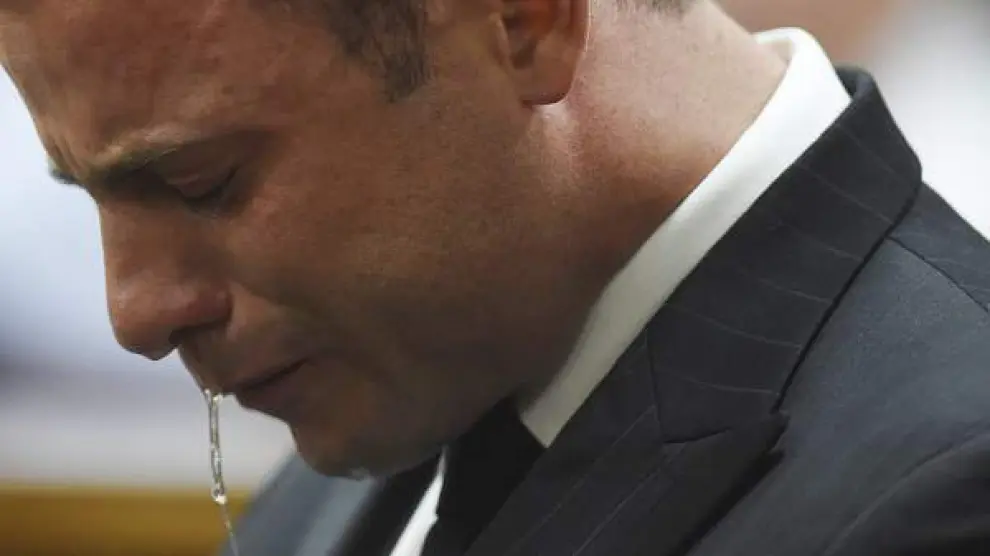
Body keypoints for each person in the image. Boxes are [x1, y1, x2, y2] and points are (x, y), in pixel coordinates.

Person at [3, 1, 990, 555]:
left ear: (524, 22)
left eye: (202, 182)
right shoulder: (422, 380)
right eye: (90, 197)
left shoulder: (945, 497)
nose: (134, 313)